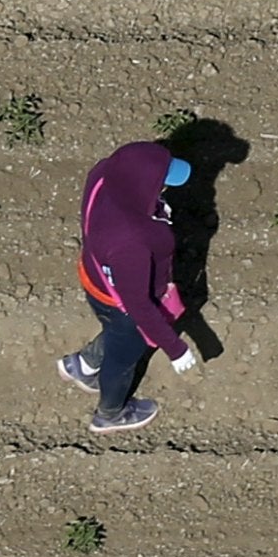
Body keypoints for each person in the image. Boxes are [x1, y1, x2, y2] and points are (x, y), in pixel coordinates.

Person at [58, 139, 198, 432]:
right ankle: (110, 414)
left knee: (115, 330)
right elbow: (138, 306)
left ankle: (82, 366)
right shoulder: (130, 242)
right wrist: (175, 348)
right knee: (124, 356)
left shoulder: (103, 175)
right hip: (121, 301)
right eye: (161, 182)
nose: (164, 187)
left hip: (95, 278)